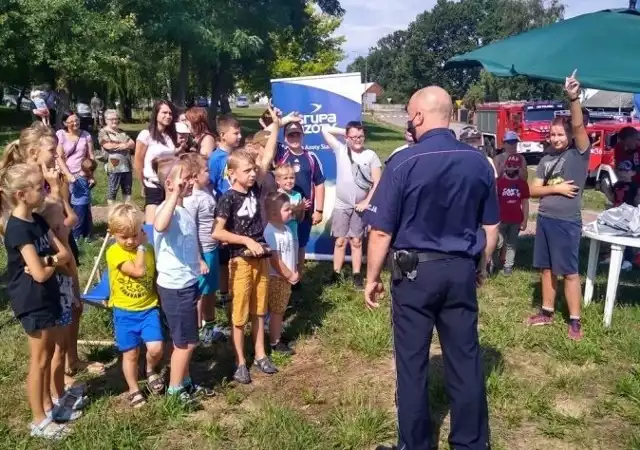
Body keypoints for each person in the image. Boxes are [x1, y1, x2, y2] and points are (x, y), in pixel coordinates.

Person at [363, 85, 498, 450]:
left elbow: (380, 231)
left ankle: (416, 444)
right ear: (451, 115)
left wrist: (372, 278)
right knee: (466, 360)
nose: (409, 120)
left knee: (412, 364)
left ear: (419, 116)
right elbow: (490, 227)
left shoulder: (403, 161)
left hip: (414, 275)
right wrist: (481, 265)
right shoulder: (478, 162)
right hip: (460, 271)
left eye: (410, 114)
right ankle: (471, 443)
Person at [0, 163, 74, 439]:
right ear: (21, 194)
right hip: (32, 300)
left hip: (49, 294)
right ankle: (38, 419)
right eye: (39, 187)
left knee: (49, 353)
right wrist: (50, 263)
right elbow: (40, 275)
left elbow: (63, 254)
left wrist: (48, 260)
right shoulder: (18, 230)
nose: (44, 191)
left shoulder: (38, 220)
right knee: (39, 361)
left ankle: (48, 406)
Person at [527, 71, 590, 341]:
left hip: (567, 222)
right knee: (546, 268)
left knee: (570, 272)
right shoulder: (545, 160)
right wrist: (556, 188)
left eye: (560, 134)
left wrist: (573, 97)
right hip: (545, 219)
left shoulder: (579, 153)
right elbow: (532, 190)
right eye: (552, 134)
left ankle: (575, 321)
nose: (556, 138)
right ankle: (547, 311)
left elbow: (577, 126)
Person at [213, 149, 279, 385]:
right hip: (240, 261)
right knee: (239, 314)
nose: (252, 174)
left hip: (260, 258)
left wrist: (276, 126)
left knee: (260, 310)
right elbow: (217, 232)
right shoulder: (227, 198)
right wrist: (246, 240)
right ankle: (240, 361)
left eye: (253, 170)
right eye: (246, 171)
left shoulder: (256, 190)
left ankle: (260, 354)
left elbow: (267, 157)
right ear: (232, 174)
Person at [153, 155, 213, 403]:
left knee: (187, 338)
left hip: (188, 283)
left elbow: (190, 240)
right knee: (185, 343)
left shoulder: (183, 210)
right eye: (185, 179)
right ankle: (175, 391)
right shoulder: (167, 210)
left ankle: (185, 381)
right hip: (175, 288)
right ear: (170, 183)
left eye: (190, 178)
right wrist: (172, 196)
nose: (190, 182)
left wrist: (198, 260)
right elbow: (159, 225)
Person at [106, 204, 165, 408]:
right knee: (130, 353)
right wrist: (141, 246)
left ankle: (149, 369)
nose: (131, 241)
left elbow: (155, 272)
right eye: (125, 237)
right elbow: (139, 271)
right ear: (112, 234)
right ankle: (133, 388)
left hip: (149, 308)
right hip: (125, 312)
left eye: (135, 234)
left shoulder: (149, 249)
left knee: (156, 349)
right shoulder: (115, 252)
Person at [321, 122, 382, 288]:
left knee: (356, 241)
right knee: (340, 241)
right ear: (347, 138)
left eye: (361, 136)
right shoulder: (340, 150)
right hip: (341, 205)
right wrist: (346, 132)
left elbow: (377, 182)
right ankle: (336, 273)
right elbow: (324, 129)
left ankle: (356, 274)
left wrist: (366, 202)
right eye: (354, 137)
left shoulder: (370, 155)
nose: (357, 140)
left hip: (359, 207)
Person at [182, 154, 225, 346]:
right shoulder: (192, 200)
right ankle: (197, 332)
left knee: (210, 291)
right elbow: (190, 232)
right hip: (201, 253)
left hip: (212, 248)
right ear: (193, 176)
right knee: (199, 293)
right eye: (206, 170)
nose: (210, 172)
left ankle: (210, 326)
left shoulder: (208, 191)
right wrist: (198, 259)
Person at [275, 121, 326, 283]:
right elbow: (265, 136)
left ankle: (297, 277)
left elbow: (319, 183)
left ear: (303, 135)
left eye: (297, 133)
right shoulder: (280, 155)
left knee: (300, 245)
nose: (294, 137)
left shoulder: (311, 157)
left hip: (303, 212)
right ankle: (281, 277)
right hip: (281, 212)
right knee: (281, 245)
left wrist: (319, 210)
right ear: (285, 137)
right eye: (291, 134)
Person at [209, 114, 243, 305]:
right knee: (223, 256)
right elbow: (211, 185)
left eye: (240, 133)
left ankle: (235, 287)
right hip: (223, 212)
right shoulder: (216, 159)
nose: (239, 136)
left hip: (238, 212)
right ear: (223, 135)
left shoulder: (236, 156)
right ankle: (224, 293)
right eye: (235, 133)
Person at [263, 192, 298, 355]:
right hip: (277, 278)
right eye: (286, 210)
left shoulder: (286, 229)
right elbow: (275, 260)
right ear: (273, 213)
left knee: (281, 308)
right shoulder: (270, 233)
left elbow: (291, 253)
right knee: (277, 310)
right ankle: (275, 342)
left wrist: (295, 269)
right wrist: (289, 275)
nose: (290, 212)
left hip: (286, 277)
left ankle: (275, 333)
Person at [134, 100, 177, 224]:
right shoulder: (146, 135)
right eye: (164, 112)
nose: (168, 116)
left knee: (167, 220)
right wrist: (142, 184)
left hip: (169, 184)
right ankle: (150, 243)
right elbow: (138, 162)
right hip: (153, 183)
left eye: (170, 113)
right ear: (156, 114)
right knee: (151, 223)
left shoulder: (169, 136)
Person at [493, 154, 530, 275]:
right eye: (509, 165)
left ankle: (508, 266)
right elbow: (493, 201)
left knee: (511, 244)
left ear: (519, 168)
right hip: (500, 219)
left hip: (515, 219)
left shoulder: (522, 184)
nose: (511, 168)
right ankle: (493, 264)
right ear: (505, 166)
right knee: (497, 243)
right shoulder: (499, 183)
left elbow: (525, 203)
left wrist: (524, 220)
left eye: (514, 166)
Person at [98, 109, 135, 205]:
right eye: (112, 119)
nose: (115, 121)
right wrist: (123, 145)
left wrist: (124, 145)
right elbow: (107, 146)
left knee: (127, 190)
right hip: (114, 166)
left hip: (127, 166)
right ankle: (112, 213)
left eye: (116, 119)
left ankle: (126, 212)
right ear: (106, 120)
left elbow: (132, 143)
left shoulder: (122, 132)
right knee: (112, 190)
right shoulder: (103, 132)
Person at [56, 111, 95, 181]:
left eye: (77, 120)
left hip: (82, 174)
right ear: (65, 123)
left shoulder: (86, 135)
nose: (75, 123)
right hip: (64, 175)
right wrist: (68, 174)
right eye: (71, 121)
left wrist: (90, 174)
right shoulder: (60, 134)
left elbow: (91, 155)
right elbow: (59, 157)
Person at [273, 164, 304, 251]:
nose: (289, 181)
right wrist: (292, 211)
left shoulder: (298, 195)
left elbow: (299, 219)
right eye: (285, 178)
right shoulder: (276, 196)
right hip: (279, 236)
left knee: (292, 263)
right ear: (278, 180)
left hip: (293, 235)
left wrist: (301, 209)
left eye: (292, 178)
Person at [68, 158, 97, 240]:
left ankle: (86, 235)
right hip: (78, 203)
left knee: (87, 219)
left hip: (86, 201)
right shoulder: (76, 178)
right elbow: (72, 191)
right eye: (91, 171)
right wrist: (74, 183)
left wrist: (92, 184)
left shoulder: (88, 178)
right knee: (79, 220)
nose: (92, 173)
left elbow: (87, 189)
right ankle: (76, 237)